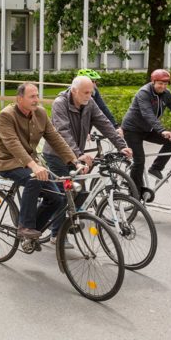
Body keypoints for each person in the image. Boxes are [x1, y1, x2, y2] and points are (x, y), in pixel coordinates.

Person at [42, 76, 132, 239]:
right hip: (57, 155)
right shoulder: (60, 103)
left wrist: (121, 145)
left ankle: (66, 219)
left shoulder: (89, 102)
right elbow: (63, 132)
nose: (89, 96)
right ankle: (57, 235)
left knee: (81, 192)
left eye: (91, 92)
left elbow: (104, 123)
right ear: (74, 91)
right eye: (85, 92)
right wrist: (78, 154)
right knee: (64, 194)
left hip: (76, 156)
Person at [0, 82, 85, 240]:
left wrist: (74, 160)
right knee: (33, 180)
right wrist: (34, 166)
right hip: (8, 162)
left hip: (32, 163)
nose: (36, 99)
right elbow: (13, 144)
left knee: (57, 198)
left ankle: (34, 232)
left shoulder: (40, 113)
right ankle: (25, 227)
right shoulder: (6, 115)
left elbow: (55, 138)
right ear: (19, 99)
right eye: (32, 96)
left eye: (37, 95)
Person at [121, 68, 171, 197]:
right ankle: (135, 193)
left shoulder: (166, 94)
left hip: (148, 129)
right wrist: (162, 130)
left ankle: (155, 168)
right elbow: (147, 114)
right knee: (139, 161)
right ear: (153, 82)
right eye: (160, 83)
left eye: (165, 84)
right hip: (132, 130)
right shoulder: (144, 93)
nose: (163, 86)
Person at [77, 68, 121, 135]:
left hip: (87, 123)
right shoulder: (74, 94)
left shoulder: (94, 92)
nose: (94, 85)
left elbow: (103, 108)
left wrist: (115, 126)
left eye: (95, 81)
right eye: (92, 81)